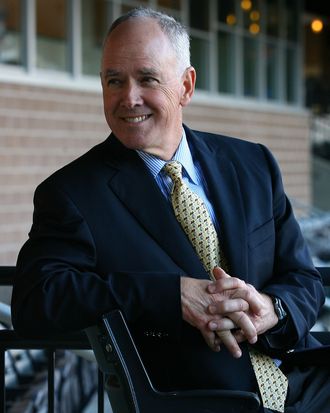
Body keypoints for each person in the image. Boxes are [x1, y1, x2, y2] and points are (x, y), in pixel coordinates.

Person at [11, 7, 330, 412]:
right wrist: (170, 297)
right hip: (198, 401)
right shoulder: (72, 193)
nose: (129, 98)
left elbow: (303, 277)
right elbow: (35, 301)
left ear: (186, 85)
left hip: (304, 380)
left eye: (147, 78)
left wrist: (273, 310)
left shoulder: (254, 165)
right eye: (114, 80)